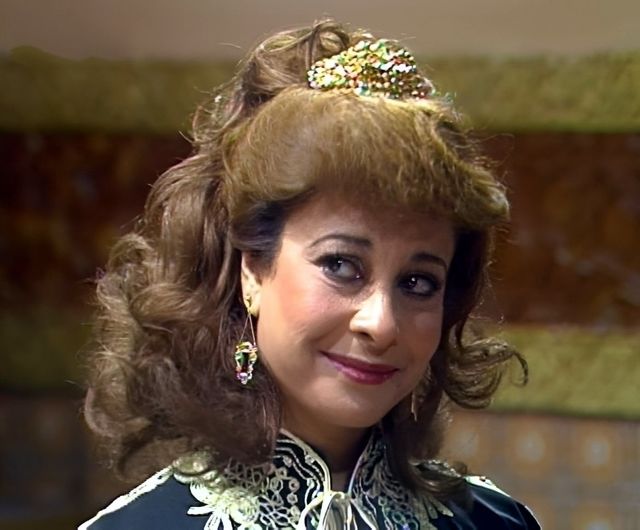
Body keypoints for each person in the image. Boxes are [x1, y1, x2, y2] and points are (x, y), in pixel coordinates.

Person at [79, 20, 541, 530]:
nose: (381, 323)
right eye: (341, 265)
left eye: (417, 283)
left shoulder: (498, 523)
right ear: (252, 270)